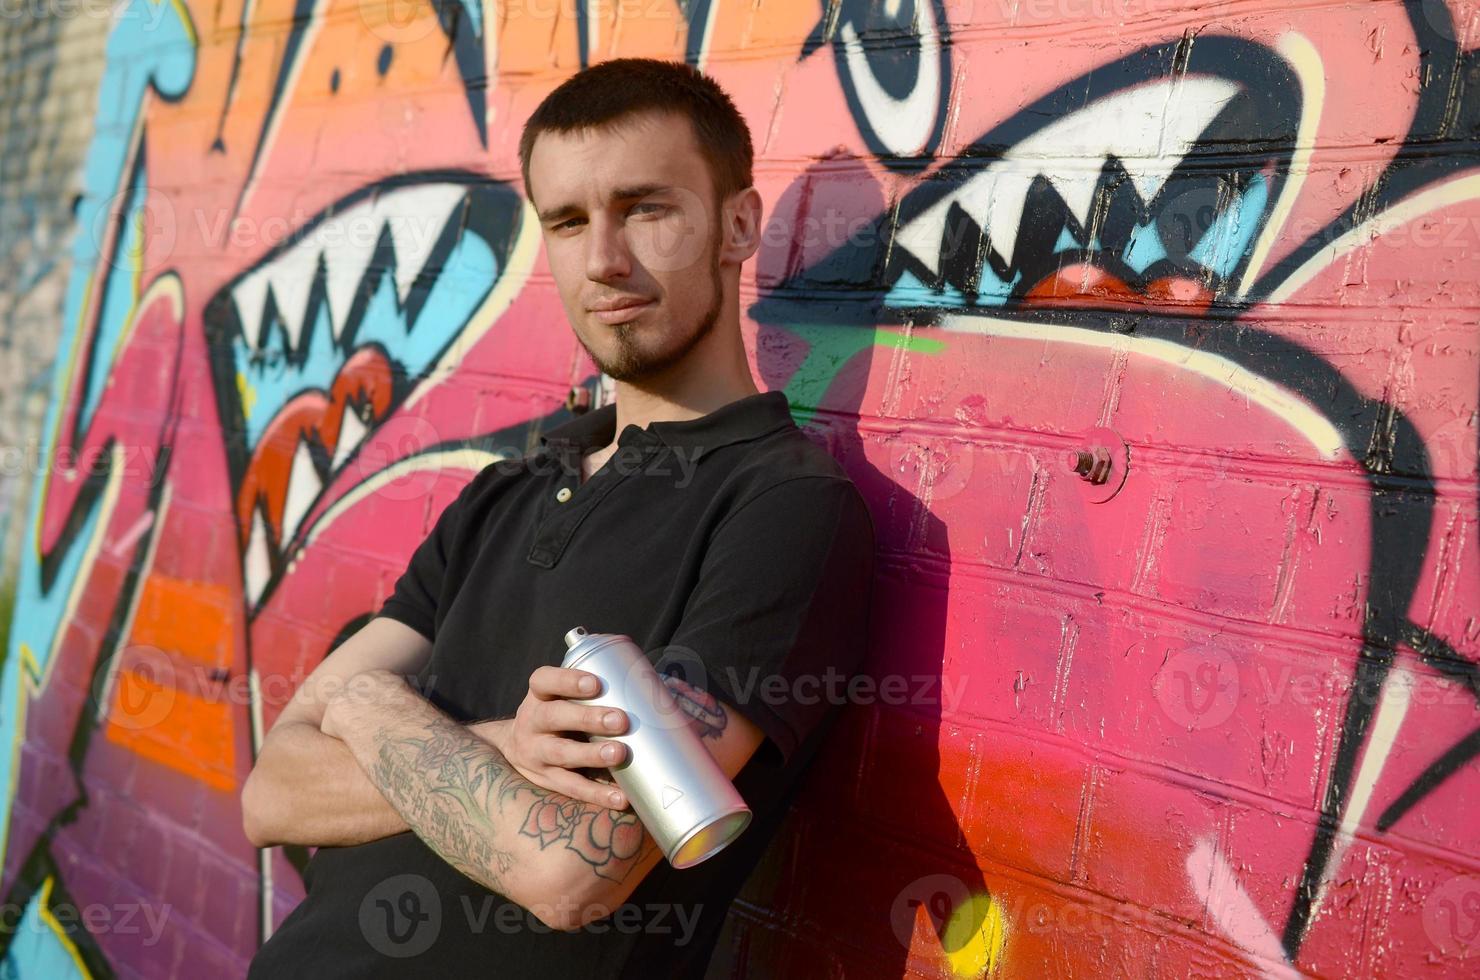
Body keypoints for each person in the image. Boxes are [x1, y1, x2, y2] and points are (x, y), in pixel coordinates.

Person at [241, 57, 877, 978]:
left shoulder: (785, 509)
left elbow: (569, 871)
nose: (604, 259)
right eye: (569, 222)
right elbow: (271, 791)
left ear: (738, 225)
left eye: (647, 209)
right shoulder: (505, 492)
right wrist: (503, 746)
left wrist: (370, 707)